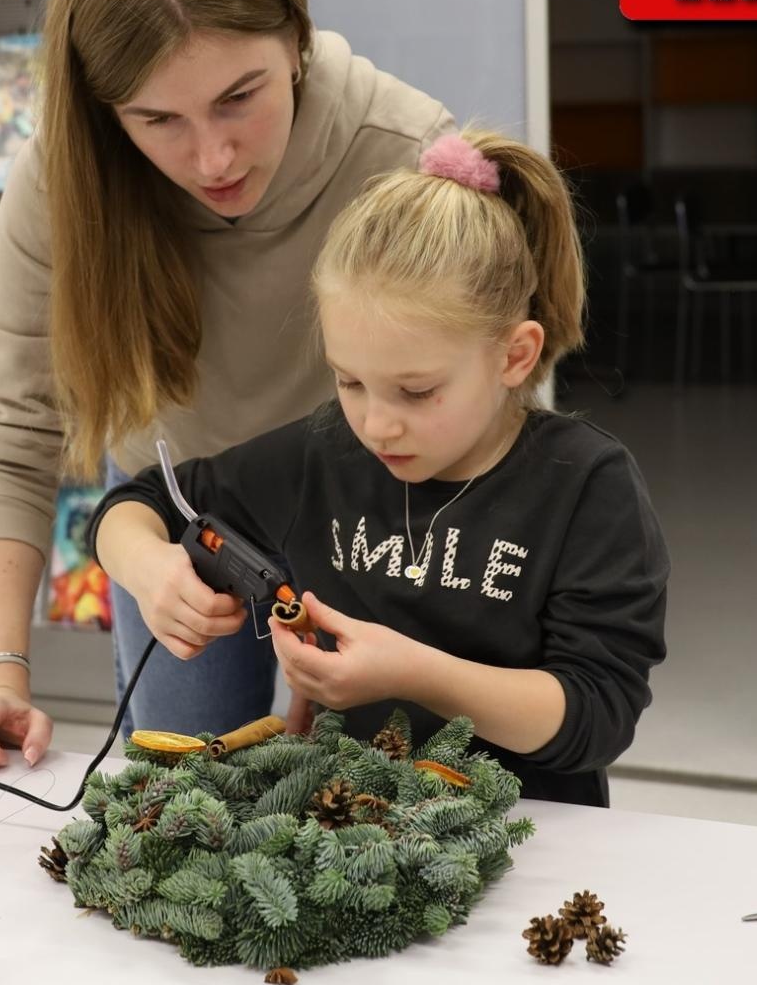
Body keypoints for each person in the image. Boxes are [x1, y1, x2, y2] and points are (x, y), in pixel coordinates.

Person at [0, 0, 454, 771]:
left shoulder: (404, 153)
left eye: (240, 96)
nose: (213, 157)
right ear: (106, 113)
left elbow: (482, 432)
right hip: (172, 524)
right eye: (157, 119)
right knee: (181, 802)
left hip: (379, 510)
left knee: (389, 802)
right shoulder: (64, 182)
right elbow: (14, 430)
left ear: (296, 40)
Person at [88, 131, 669, 805]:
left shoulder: (586, 485)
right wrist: (146, 567)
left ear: (514, 355)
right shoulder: (325, 454)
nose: (375, 424)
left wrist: (415, 673)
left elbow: (595, 717)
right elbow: (142, 499)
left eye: (416, 391)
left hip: (527, 837)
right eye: (348, 381)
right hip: (352, 843)